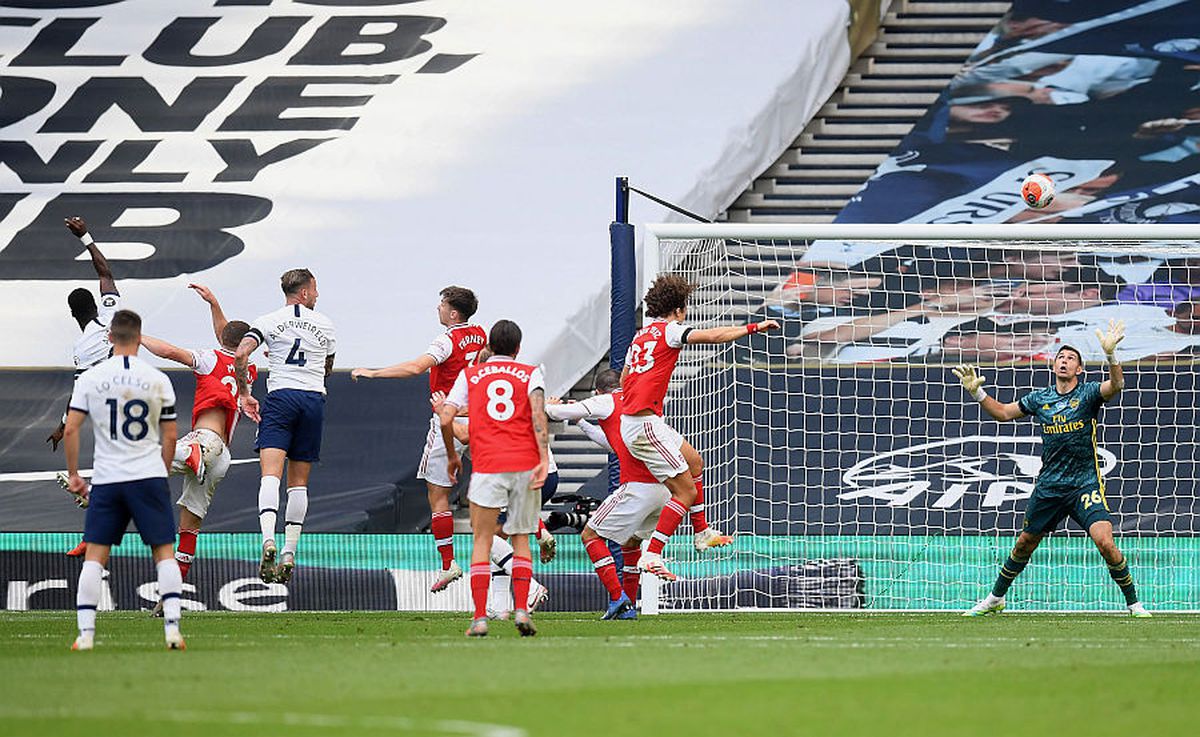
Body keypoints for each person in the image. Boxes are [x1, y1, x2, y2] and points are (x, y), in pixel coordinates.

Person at [953, 320, 1151, 617]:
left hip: (1084, 484)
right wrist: (977, 394)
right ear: (1054, 365)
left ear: (1079, 369)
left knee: (1106, 543)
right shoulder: (1039, 398)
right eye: (1061, 357)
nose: (1064, 361)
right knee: (1024, 544)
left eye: (1071, 358)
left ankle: (1134, 604)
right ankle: (995, 599)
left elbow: (1116, 386)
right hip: (1049, 486)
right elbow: (1003, 413)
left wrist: (1111, 356)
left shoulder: (1088, 394)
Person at [620, 275, 779, 581]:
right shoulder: (670, 330)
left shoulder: (640, 337)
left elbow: (625, 378)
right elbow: (714, 336)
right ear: (678, 309)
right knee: (685, 491)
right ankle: (652, 555)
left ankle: (702, 531)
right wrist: (753, 327)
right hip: (643, 423)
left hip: (642, 420)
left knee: (694, 461)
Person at [351, 286, 493, 592]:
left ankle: (448, 564)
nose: (437, 309)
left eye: (441, 304)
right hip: (478, 416)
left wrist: (374, 373)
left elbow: (416, 367)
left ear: (453, 313)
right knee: (497, 481)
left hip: (448, 416)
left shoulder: (446, 340)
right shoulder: (480, 334)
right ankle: (536, 533)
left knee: (437, 494)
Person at [62, 310, 186, 650]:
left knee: (95, 556)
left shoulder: (91, 378)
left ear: (109, 337)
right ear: (140, 337)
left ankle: (86, 635)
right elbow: (170, 435)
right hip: (148, 476)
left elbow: (71, 429)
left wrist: (74, 475)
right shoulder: (158, 379)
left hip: (108, 478)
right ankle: (172, 631)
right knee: (164, 553)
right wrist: (162, 471)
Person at [139, 284, 256, 605]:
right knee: (189, 528)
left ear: (222, 341)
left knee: (142, 459)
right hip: (221, 457)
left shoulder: (208, 359)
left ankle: (96, 490)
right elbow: (229, 338)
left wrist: (137, 337)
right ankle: (170, 596)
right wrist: (214, 304)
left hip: (204, 443)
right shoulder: (249, 371)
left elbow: (169, 351)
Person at [439, 320, 549, 637]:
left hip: (488, 465)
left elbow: (445, 417)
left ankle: (479, 618)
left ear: (489, 346)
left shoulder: (470, 375)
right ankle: (522, 610)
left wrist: (452, 455)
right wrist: (543, 458)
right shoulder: (530, 373)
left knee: (482, 540)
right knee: (521, 538)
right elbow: (538, 415)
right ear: (518, 348)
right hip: (524, 463)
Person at [234, 269, 336, 584]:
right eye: (315, 290)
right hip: (312, 399)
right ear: (304, 293)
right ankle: (289, 552)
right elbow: (326, 368)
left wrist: (244, 393)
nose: (317, 295)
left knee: (270, 475)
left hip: (281, 398)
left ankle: (268, 540)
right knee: (299, 483)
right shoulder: (325, 324)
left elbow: (241, 353)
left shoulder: (267, 321)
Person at [546, 369, 671, 620]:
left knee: (590, 535)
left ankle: (617, 598)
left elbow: (558, 413)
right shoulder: (638, 400)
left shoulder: (606, 400)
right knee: (631, 543)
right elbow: (611, 443)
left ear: (598, 391)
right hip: (666, 488)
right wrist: (582, 423)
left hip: (638, 487)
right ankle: (627, 607)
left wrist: (549, 405)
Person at [47, 217, 119, 557]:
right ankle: (94, 529)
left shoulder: (83, 348)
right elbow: (105, 272)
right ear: (95, 303)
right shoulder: (112, 312)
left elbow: (79, 393)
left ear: (72, 314)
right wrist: (86, 237)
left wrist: (62, 427)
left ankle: (95, 517)